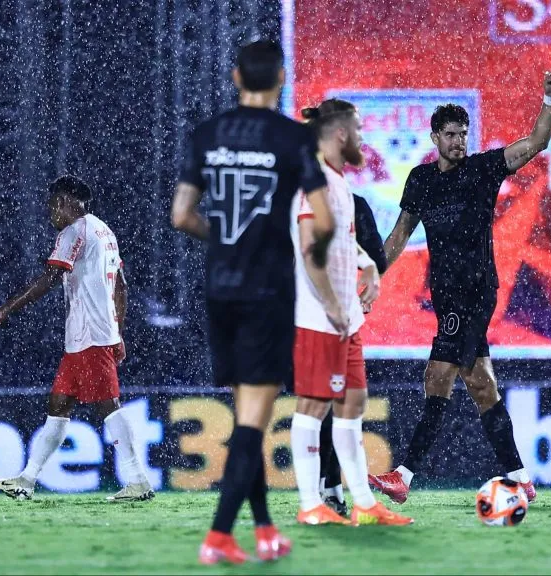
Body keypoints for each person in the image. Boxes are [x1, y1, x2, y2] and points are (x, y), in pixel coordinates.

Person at [170, 39, 332, 565]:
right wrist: (314, 252)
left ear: (237, 76)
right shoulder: (292, 138)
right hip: (267, 291)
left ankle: (264, 530)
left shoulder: (206, 134)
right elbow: (323, 220)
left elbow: (181, 216)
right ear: (281, 78)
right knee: (251, 419)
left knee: (248, 415)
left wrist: (225, 241)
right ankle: (218, 535)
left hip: (220, 289)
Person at [369, 71, 551, 504]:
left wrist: (549, 99)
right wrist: (373, 272)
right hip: (445, 296)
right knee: (480, 384)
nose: (460, 142)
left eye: (464, 134)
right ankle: (520, 478)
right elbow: (400, 235)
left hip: (476, 292)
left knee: (437, 375)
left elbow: (537, 142)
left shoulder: (483, 169)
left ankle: (404, 474)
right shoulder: (420, 181)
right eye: (452, 135)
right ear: (435, 137)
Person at [0, 175, 154, 503]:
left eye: (52, 207)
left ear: (64, 202)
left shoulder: (73, 231)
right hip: (87, 335)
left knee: (109, 406)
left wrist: (6, 309)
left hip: (90, 334)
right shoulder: (105, 231)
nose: (51, 214)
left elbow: (49, 278)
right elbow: (121, 286)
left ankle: (137, 480)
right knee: (59, 406)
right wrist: (117, 330)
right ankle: (27, 479)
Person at [289, 98, 412, 527]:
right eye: (358, 130)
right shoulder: (315, 182)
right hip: (323, 318)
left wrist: (369, 265)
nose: (363, 139)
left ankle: (362, 501)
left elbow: (339, 241)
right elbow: (309, 249)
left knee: (353, 402)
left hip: (346, 320)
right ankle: (310, 504)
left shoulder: (337, 182)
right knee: (313, 406)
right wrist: (331, 305)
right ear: (340, 134)